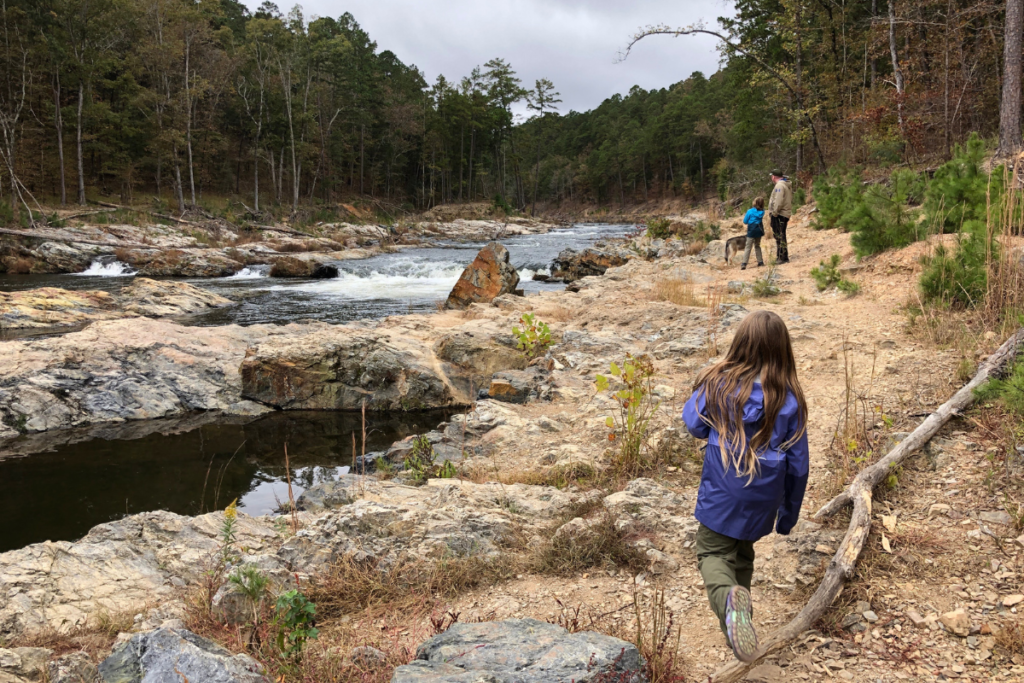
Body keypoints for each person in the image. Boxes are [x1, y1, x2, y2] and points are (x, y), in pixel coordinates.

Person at [681, 310, 809, 663]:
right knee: (742, 553)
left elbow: (692, 423)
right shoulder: (790, 398)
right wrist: (788, 515)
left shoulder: (718, 383)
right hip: (764, 495)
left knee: (711, 553)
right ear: (783, 352)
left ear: (740, 344)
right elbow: (799, 466)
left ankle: (729, 605)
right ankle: (739, 629)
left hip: (723, 489)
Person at [767, 169, 792, 264]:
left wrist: (774, 213)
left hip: (780, 214)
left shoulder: (779, 186)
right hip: (784, 213)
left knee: (779, 235)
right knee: (781, 234)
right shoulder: (785, 184)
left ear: (774, 176)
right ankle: (783, 256)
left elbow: (778, 201)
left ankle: (781, 257)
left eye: (771, 176)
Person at [740, 196, 766, 270]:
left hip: (751, 230)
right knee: (757, 245)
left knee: (748, 247)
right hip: (759, 230)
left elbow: (745, 221)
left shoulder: (750, 211)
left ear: (755, 203)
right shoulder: (762, 211)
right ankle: (760, 261)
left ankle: (744, 263)